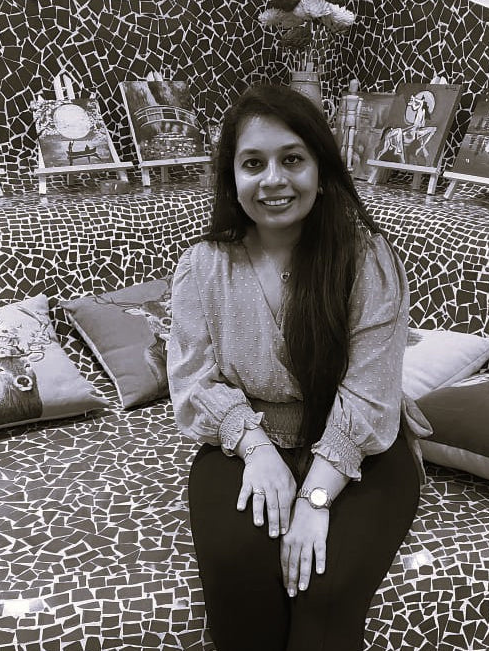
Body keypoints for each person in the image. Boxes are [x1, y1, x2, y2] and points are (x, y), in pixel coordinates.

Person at [167, 84, 432, 651]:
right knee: (239, 579)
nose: (273, 180)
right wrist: (257, 450)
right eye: (253, 164)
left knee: (325, 591)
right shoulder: (203, 266)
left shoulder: (367, 258)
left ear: (321, 170)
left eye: (292, 159)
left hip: (362, 453)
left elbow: (371, 392)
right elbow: (193, 382)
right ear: (231, 176)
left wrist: (315, 500)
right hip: (244, 444)